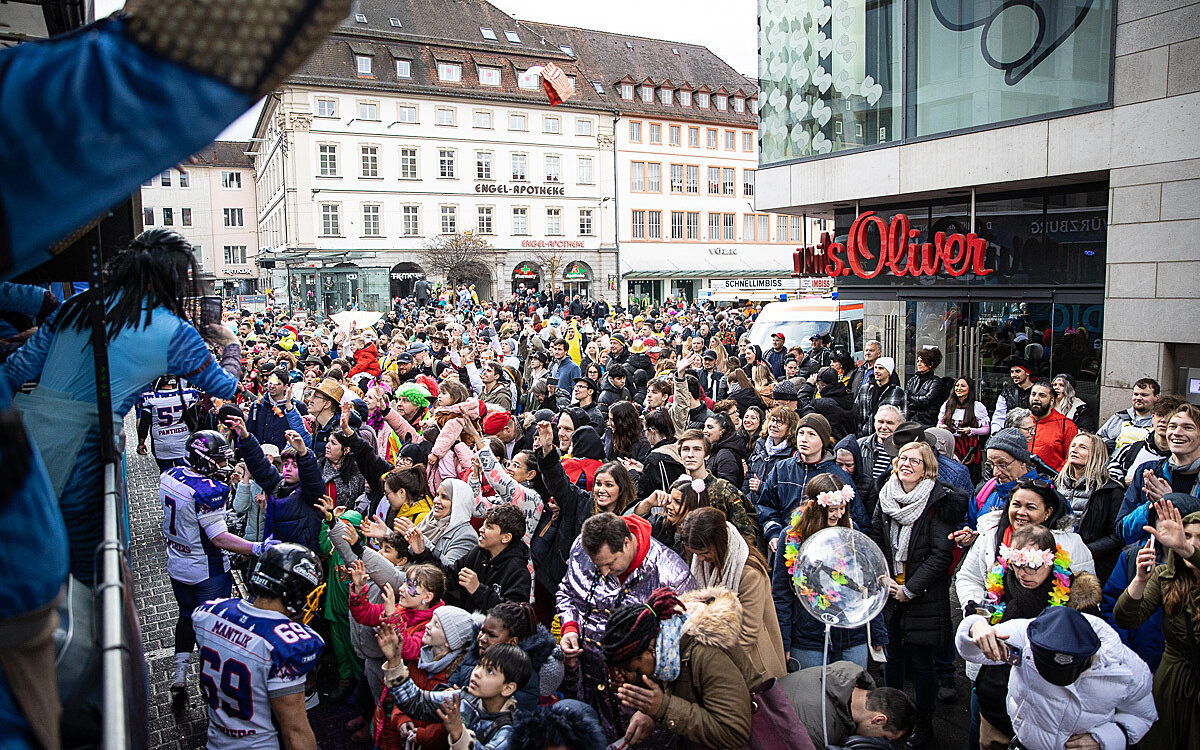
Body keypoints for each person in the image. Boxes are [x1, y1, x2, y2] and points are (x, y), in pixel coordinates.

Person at [0, 230, 243, 584]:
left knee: (25, 542)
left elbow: (16, 371)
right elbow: (226, 386)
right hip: (86, 449)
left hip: (24, 430)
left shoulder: (78, 306)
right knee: (87, 565)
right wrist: (232, 345)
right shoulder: (174, 332)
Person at [162, 430, 281, 698]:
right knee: (212, 628)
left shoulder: (169, 476)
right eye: (216, 459)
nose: (221, 464)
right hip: (207, 569)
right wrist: (256, 547)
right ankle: (211, 684)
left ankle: (179, 674)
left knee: (185, 616)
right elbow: (218, 538)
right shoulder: (208, 490)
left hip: (177, 562)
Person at [868, 440, 964, 748]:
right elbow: (875, 538)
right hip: (890, 588)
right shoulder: (885, 494)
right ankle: (893, 718)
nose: (906, 464)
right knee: (892, 657)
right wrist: (884, 578)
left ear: (928, 469)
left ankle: (924, 725)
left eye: (915, 461)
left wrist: (910, 589)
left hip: (923, 593)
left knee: (923, 663)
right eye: (902, 458)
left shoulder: (939, 501)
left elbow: (941, 553)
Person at [957, 605, 1155, 750]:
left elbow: (1143, 715)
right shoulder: (1027, 634)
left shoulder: (1128, 670)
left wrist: (1105, 739)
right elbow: (971, 651)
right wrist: (976, 627)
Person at [192, 544, 325, 750]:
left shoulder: (208, 613)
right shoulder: (289, 644)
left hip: (216, 739)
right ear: (296, 593)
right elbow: (295, 731)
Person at [960, 525, 1081, 748]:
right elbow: (977, 621)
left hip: (1043, 705)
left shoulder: (1073, 594)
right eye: (1017, 564)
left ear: (1051, 560)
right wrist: (975, 622)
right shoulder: (1000, 580)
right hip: (994, 694)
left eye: (1032, 566)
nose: (1023, 573)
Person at [601, 587, 753, 749]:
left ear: (650, 650)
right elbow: (672, 683)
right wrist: (634, 680)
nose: (638, 673)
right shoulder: (667, 646)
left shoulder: (707, 656)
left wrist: (664, 708)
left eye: (636, 670)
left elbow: (734, 732)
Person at [1114, 499, 1200, 749]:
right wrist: (1139, 580)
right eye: (1186, 536)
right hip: (1169, 683)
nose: (1190, 543)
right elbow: (1126, 619)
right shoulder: (1164, 576)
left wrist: (1187, 550)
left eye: (1198, 537)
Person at [773, 473, 875, 670]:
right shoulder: (790, 537)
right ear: (815, 508)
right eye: (832, 510)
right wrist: (783, 641)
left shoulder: (853, 534)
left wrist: (877, 633)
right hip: (808, 636)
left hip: (851, 633)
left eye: (842, 509)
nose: (838, 515)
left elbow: (868, 584)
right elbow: (781, 593)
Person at [679, 507, 787, 684]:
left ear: (719, 543)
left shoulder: (748, 573)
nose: (700, 559)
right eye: (696, 554)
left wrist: (714, 665)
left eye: (705, 553)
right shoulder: (705, 563)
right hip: (721, 657)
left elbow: (748, 632)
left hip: (752, 664)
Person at [380, 631, 529, 750]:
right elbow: (416, 702)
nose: (477, 673)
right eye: (479, 665)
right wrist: (394, 663)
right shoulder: (464, 698)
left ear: (508, 688)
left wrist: (460, 735)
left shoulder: (509, 730)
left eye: (490, 671)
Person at [758, 413, 862, 547]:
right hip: (787, 545)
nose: (804, 439)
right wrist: (773, 533)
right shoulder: (782, 468)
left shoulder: (838, 476)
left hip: (826, 549)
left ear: (823, 440)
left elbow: (855, 517)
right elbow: (766, 505)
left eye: (811, 434)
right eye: (801, 433)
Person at [778, 661, 915, 750]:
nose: (877, 741)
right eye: (883, 738)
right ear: (878, 720)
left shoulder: (841, 678)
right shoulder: (821, 730)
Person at [1116, 403, 1200, 544]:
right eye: (1172, 426)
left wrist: (1171, 501)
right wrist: (1150, 507)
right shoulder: (1148, 471)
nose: (1177, 432)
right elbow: (1122, 532)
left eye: (1188, 427)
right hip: (1155, 561)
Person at [1056, 432, 1124, 582]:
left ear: (1096, 455)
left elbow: (1115, 537)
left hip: (1093, 564)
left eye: (1082, 447)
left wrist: (1083, 552)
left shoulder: (1111, 491)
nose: (1074, 450)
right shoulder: (1056, 485)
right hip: (1057, 560)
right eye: (1073, 446)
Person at [674, 428, 762, 544]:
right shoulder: (677, 489)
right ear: (680, 454)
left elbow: (747, 534)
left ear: (706, 455)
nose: (691, 455)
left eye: (697, 449)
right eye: (686, 449)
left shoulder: (724, 490)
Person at [1108, 393, 1185, 486]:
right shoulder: (1134, 448)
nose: (1163, 420)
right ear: (1153, 418)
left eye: (1169, 416)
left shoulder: (1183, 457)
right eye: (1160, 415)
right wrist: (1124, 481)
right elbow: (1110, 472)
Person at [135, 375, 201, 471]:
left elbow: (144, 424)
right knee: (185, 474)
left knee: (165, 474)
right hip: (182, 442)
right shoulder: (187, 395)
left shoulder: (149, 399)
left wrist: (141, 443)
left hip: (161, 444)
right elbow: (194, 423)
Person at [937, 377, 991, 482]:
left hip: (969, 446)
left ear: (969, 389)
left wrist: (971, 430)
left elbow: (986, 429)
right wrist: (942, 428)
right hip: (951, 445)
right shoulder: (947, 405)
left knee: (970, 477)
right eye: (957, 385)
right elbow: (939, 424)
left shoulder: (977, 406)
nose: (959, 388)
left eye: (963, 386)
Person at [746, 406, 798, 508]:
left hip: (772, 510)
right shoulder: (760, 444)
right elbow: (750, 474)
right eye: (772, 420)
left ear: (790, 428)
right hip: (752, 505)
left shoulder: (792, 454)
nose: (774, 425)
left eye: (780, 422)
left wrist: (762, 487)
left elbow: (787, 491)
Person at [1027, 379, 1079, 471]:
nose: (1036, 398)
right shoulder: (1019, 420)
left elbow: (1070, 459)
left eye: (1042, 395)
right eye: (1033, 394)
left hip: (1050, 480)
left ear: (1051, 401)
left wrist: (1056, 477)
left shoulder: (1066, 426)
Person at [1098, 377, 1160, 452]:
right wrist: (1105, 443)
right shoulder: (1119, 418)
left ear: (1156, 397)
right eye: (1136, 394)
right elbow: (1097, 438)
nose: (1138, 398)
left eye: (1144, 395)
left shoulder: (1160, 422)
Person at [799, 367, 857, 442]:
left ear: (821, 384)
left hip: (830, 444)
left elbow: (803, 405)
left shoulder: (821, 404)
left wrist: (808, 384)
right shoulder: (849, 399)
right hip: (847, 443)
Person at [854, 356, 904, 436]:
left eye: (881, 368)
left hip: (888, 437)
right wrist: (860, 432)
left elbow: (902, 419)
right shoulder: (865, 389)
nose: (876, 371)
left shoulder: (897, 392)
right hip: (866, 435)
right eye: (875, 368)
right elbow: (856, 412)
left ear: (888, 372)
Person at [904, 348, 949, 427]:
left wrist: (910, 398)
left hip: (927, 421)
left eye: (922, 361)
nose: (919, 364)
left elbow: (927, 400)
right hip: (911, 419)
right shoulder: (912, 380)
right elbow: (904, 397)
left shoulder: (936, 381)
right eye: (918, 361)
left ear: (930, 364)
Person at [989, 358, 1035, 434]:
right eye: (1012, 372)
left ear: (1027, 373)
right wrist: (995, 433)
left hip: (1033, 433)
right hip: (1012, 434)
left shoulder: (1038, 391)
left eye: (1017, 371)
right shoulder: (1006, 392)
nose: (1013, 375)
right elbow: (999, 415)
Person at [703, 411, 747, 488]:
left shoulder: (725, 454)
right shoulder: (714, 450)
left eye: (710, 427)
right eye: (704, 427)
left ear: (721, 431)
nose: (704, 431)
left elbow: (728, 488)